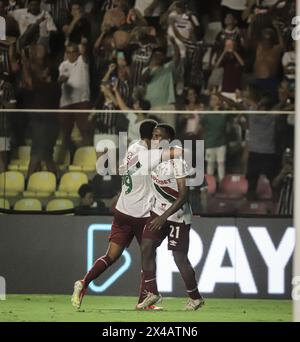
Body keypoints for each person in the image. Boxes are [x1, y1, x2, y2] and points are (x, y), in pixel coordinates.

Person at [71, 120, 183, 310]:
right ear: (150, 137)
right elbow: (178, 152)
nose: (158, 139)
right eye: (155, 136)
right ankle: (144, 300)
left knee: (111, 256)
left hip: (122, 211)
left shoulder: (133, 147)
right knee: (147, 256)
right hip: (141, 214)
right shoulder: (150, 154)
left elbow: (124, 168)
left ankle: (83, 283)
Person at [137, 124, 205, 311]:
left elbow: (183, 195)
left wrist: (164, 217)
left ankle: (195, 297)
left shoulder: (178, 162)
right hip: (158, 210)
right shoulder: (151, 158)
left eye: (160, 136)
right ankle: (152, 292)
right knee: (146, 246)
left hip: (178, 215)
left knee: (179, 258)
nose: (156, 139)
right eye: (154, 135)